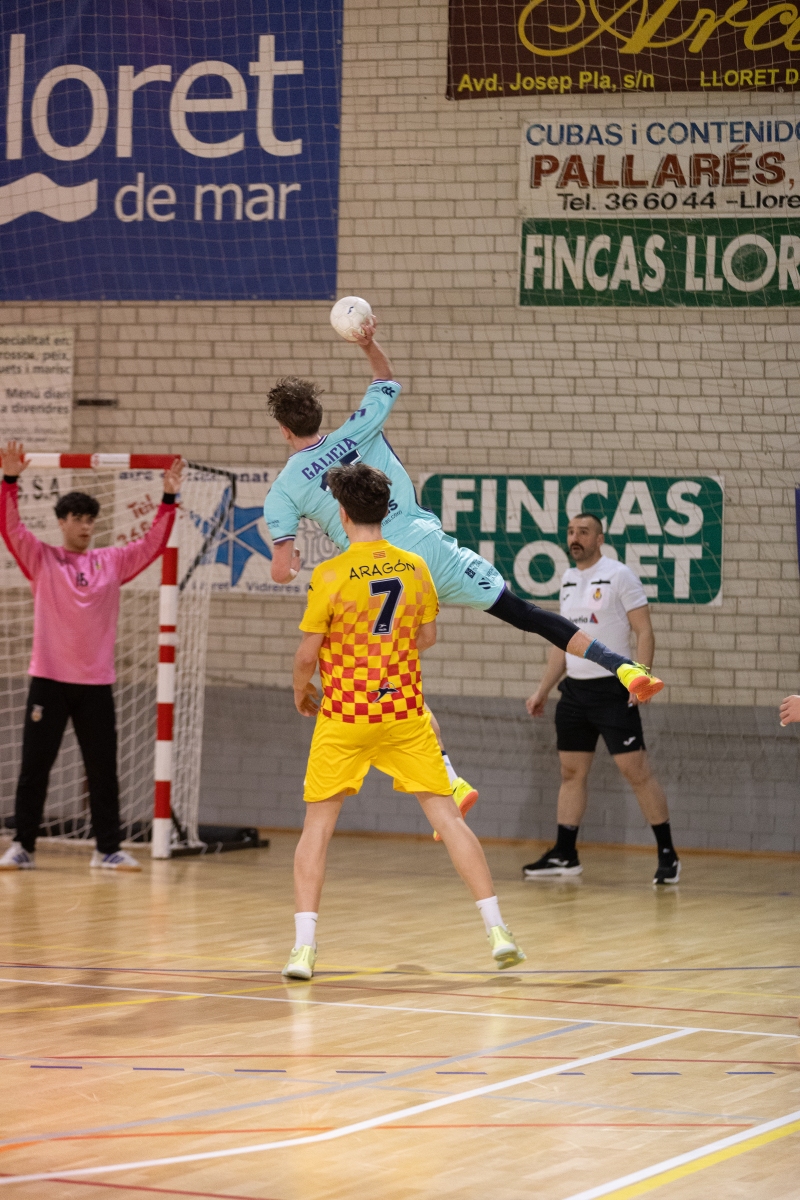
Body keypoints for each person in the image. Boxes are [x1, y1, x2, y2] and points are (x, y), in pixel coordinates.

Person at [263, 315, 662, 828]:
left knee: (388, 672)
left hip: (384, 569)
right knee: (525, 613)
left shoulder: (284, 488)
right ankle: (624, 667)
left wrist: (292, 564)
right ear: (319, 416)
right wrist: (368, 342)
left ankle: (450, 777)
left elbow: (281, 568)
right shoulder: (359, 426)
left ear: (284, 429)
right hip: (434, 548)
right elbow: (385, 377)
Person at [283, 462, 525, 980]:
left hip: (345, 716)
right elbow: (428, 637)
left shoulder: (330, 575)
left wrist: (302, 691)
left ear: (342, 514)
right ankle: (499, 931)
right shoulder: (415, 567)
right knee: (449, 819)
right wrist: (386, 657)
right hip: (403, 712)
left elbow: (306, 656)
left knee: (317, 829)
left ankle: (303, 949)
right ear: (385, 509)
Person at [0, 441, 183, 871]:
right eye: (77, 519)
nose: (85, 526)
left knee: (102, 771)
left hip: (96, 685)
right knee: (34, 769)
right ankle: (23, 846)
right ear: (61, 522)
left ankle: (108, 849)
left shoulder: (112, 561)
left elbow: (152, 544)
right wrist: (9, 481)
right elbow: (10, 528)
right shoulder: (40, 559)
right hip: (48, 680)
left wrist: (168, 498)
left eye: (90, 519)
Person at [522, 513, 680, 886]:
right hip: (575, 693)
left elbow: (644, 631)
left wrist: (640, 678)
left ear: (600, 538)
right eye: (570, 532)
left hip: (612, 691)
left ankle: (668, 855)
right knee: (571, 773)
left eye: (583, 532)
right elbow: (563, 642)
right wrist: (543, 689)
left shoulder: (620, 575)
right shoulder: (567, 578)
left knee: (636, 772)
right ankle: (565, 854)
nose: (575, 538)